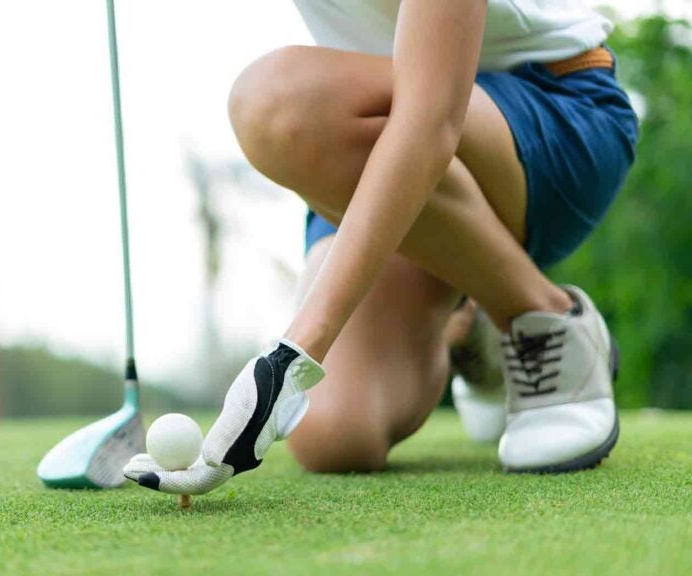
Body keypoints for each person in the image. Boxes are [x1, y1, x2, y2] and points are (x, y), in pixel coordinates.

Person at [124, 0, 637, 494]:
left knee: (276, 104)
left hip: (553, 115)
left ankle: (541, 316)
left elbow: (430, 119)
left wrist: (292, 358)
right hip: (374, 142)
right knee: (334, 434)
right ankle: (472, 328)